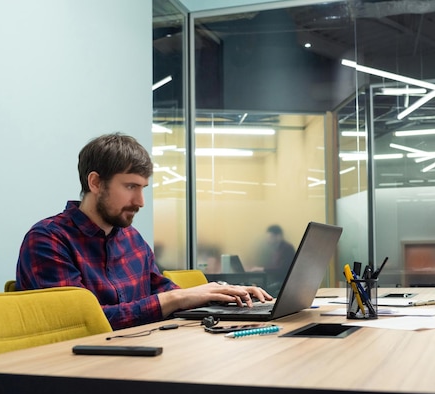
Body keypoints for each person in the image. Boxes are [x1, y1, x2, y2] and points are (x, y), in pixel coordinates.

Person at [16, 133, 272, 330]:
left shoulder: (130, 238)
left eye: (143, 188)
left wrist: (221, 294)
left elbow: (163, 290)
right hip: (68, 373)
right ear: (95, 182)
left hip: (128, 357)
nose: (140, 201)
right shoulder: (47, 239)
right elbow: (80, 322)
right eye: (130, 186)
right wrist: (175, 300)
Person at [251, 225, 296, 293]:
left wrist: (261, 269)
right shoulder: (277, 248)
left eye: (270, 237)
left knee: (264, 291)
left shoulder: (287, 248)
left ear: (278, 236)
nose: (268, 240)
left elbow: (282, 269)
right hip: (277, 280)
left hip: (284, 282)